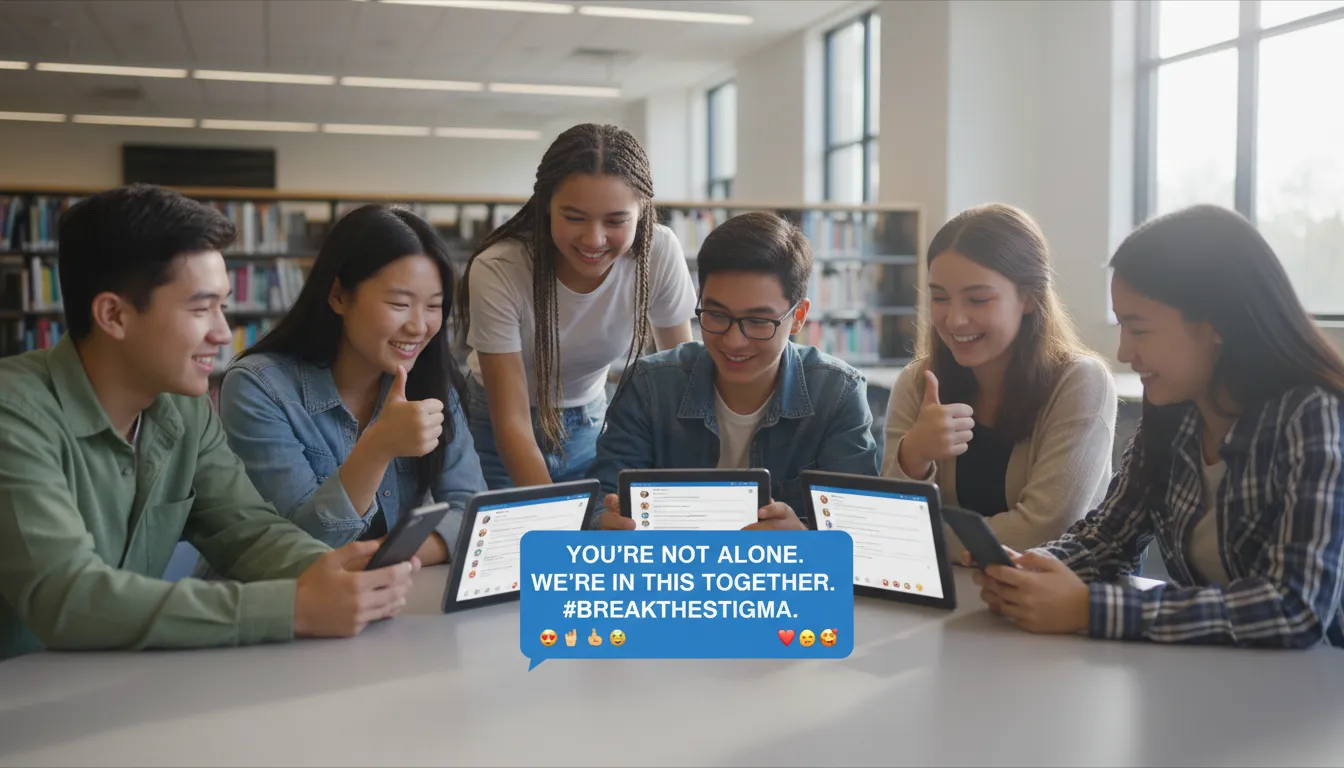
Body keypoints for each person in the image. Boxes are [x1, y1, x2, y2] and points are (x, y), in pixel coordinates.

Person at [0, 185, 416, 661]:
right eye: (201, 309)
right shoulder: (13, 415)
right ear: (113, 314)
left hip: (105, 688)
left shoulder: (184, 408)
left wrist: (329, 570)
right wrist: (290, 608)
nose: (222, 333)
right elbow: (67, 598)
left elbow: (247, 531)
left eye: (222, 305)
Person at [972, 204, 1344, 649]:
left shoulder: (1311, 415)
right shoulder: (1174, 410)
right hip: (1204, 681)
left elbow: (1295, 607)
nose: (1125, 353)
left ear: (1216, 326)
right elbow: (1109, 537)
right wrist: (1032, 569)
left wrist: (1089, 609)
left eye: (1139, 329)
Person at [212, 205, 486, 566]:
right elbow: (301, 549)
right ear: (339, 295)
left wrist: (390, 558)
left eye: (433, 306)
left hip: (394, 597)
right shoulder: (259, 388)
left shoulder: (430, 378)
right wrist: (377, 448)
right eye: (400, 304)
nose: (419, 327)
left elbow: (474, 513)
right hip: (284, 606)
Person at [590, 211, 881, 531]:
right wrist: (607, 522)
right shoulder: (649, 386)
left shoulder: (837, 394)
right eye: (716, 315)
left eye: (758, 321)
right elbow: (602, 501)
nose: (733, 340)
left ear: (798, 316)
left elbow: (859, 534)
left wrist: (805, 542)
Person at [455, 123, 697, 490]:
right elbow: (513, 424)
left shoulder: (657, 251)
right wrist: (554, 520)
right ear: (546, 205)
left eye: (616, 221)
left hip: (588, 423)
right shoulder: (501, 267)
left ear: (642, 211)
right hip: (494, 429)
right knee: (526, 541)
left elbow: (679, 386)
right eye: (574, 218)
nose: (594, 239)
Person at [882, 204, 1116, 557]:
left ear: (1029, 298)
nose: (955, 319)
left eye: (978, 299)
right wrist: (914, 454)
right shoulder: (919, 381)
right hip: (951, 596)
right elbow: (888, 519)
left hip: (1046, 601)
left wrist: (920, 541)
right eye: (939, 297)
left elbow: (1042, 531)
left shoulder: (1080, 382)